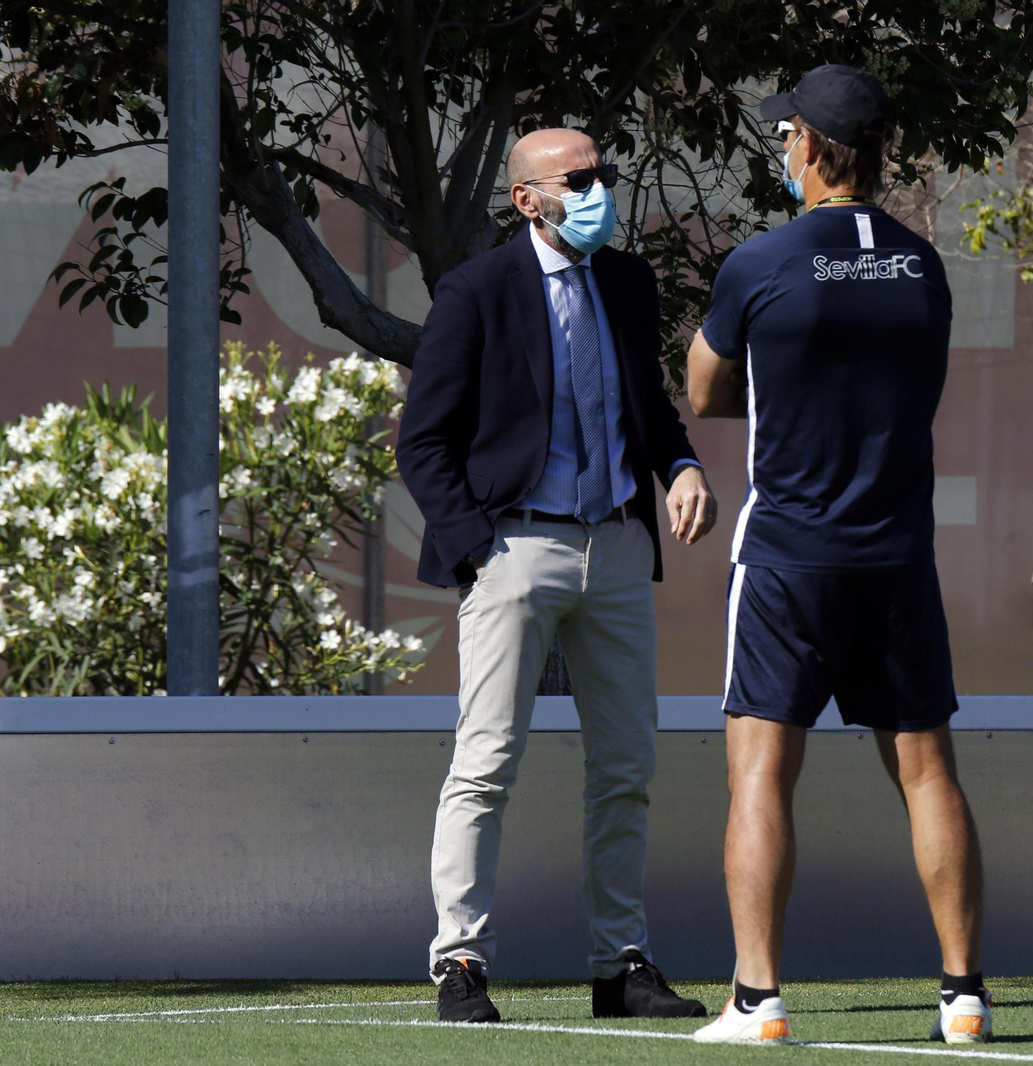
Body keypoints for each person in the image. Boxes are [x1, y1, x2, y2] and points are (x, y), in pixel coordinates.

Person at [684, 65, 990, 1046]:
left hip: (786, 556)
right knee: (928, 770)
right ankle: (962, 996)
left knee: (759, 771)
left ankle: (757, 999)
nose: (782, 150)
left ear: (811, 148)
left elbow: (704, 388)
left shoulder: (760, 263)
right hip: (897, 553)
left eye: (786, 138)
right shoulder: (923, 265)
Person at [396, 127, 716, 1025]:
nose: (599, 190)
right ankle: (460, 960)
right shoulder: (476, 291)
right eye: (578, 180)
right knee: (487, 759)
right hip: (514, 549)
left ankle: (620, 967)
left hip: (615, 547)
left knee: (628, 763)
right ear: (526, 198)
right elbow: (423, 442)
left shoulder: (626, 281)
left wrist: (681, 466)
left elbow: (647, 406)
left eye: (603, 175)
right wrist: (477, 550)